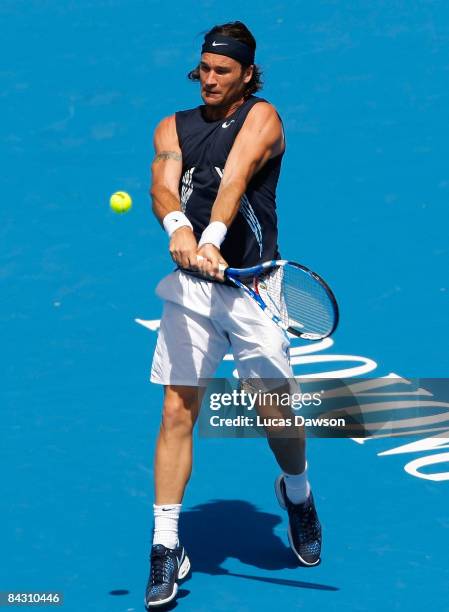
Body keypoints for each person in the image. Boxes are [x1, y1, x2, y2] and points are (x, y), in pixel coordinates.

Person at [145, 21, 322, 609]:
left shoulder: (263, 118)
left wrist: (214, 238)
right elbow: (162, 188)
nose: (210, 79)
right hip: (191, 289)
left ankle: (296, 493)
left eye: (223, 71)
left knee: (279, 418)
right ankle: (167, 542)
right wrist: (178, 229)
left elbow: (238, 177)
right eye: (204, 69)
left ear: (247, 73)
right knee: (177, 408)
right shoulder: (172, 126)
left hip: (252, 286)